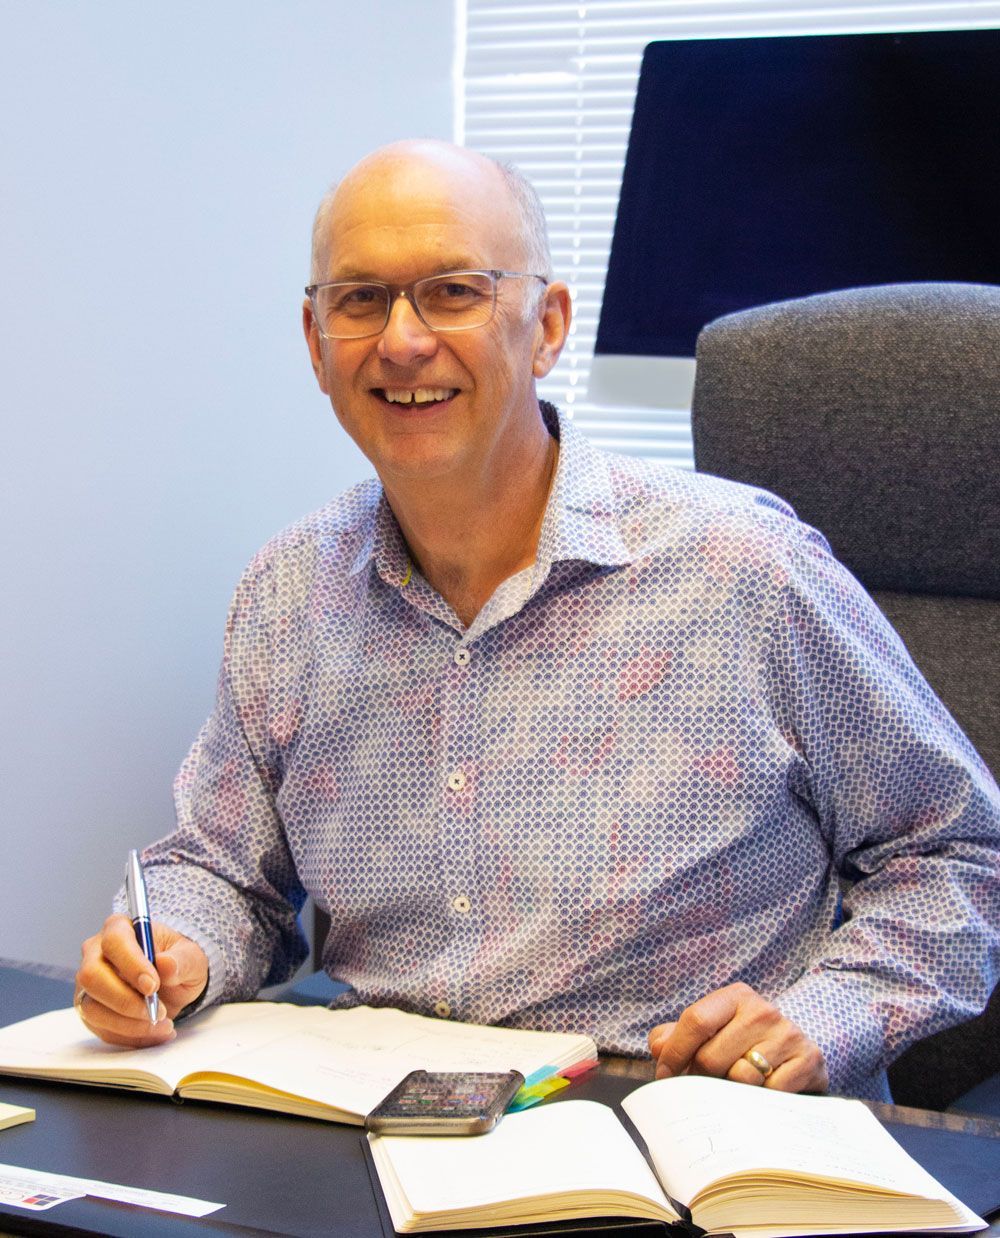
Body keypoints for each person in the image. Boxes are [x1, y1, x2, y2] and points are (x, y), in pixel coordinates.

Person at [75, 140, 1000, 1102]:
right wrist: (174, 949)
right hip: (388, 1122)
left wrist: (822, 1019)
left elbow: (960, 857)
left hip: (690, 1123)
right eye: (360, 301)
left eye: (454, 291)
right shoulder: (288, 592)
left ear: (546, 326)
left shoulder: (743, 569)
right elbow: (224, 870)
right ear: (315, 343)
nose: (401, 341)